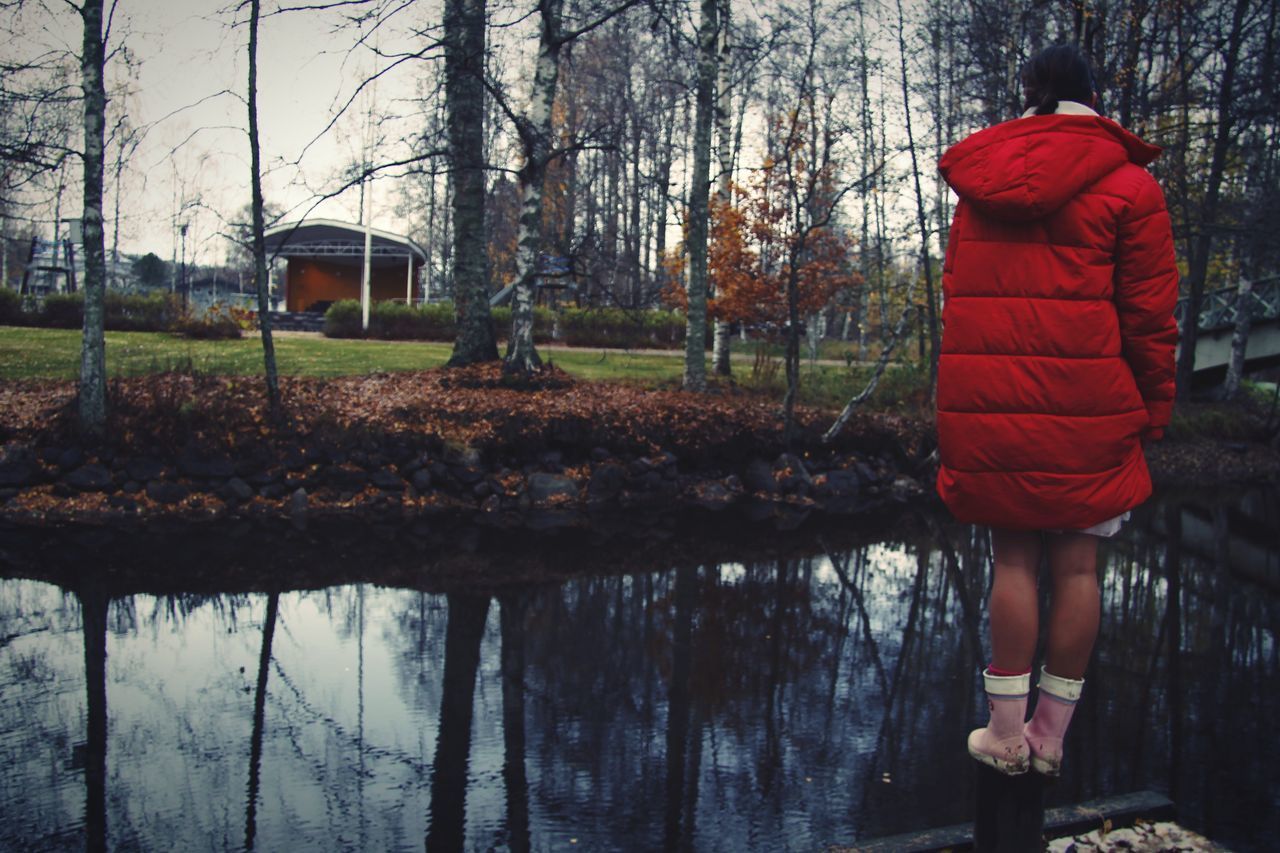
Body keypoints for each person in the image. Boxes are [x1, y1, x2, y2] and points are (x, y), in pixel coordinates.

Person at [934, 44, 1180, 776]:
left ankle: (1002, 732)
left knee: (1012, 557)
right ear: (1094, 96)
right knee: (1078, 568)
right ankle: (1048, 736)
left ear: (1031, 93)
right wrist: (1154, 409)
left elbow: (963, 301)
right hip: (1089, 407)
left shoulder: (980, 180)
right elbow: (1151, 315)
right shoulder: (1132, 186)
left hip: (995, 408)